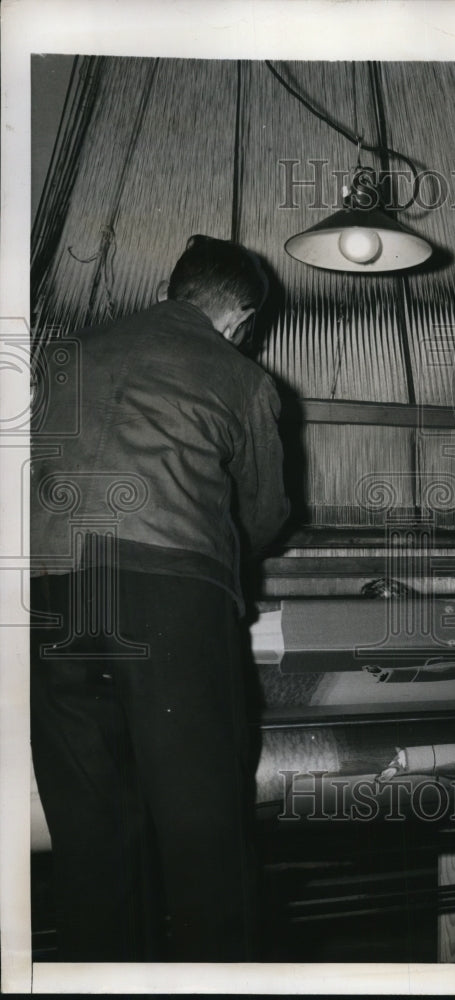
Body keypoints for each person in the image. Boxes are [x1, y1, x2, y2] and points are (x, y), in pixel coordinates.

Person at [29, 234, 290, 962]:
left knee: (90, 837)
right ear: (238, 316)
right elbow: (266, 513)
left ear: (173, 287)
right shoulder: (239, 375)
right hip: (164, 592)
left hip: (45, 589)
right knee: (203, 834)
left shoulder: (70, 353)